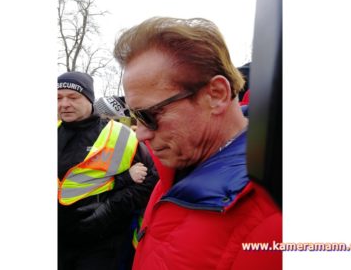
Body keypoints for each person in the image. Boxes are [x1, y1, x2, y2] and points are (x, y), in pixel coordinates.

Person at [113, 17, 282, 270]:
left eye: (149, 115)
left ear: (216, 95)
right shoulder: (175, 167)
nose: (141, 134)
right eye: (136, 117)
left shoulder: (272, 218)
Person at [57, 71, 158, 270]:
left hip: (101, 244)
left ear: (89, 98)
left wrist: (108, 210)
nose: (64, 104)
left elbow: (151, 180)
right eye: (58, 98)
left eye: (73, 97)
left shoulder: (120, 134)